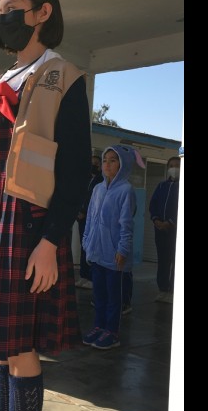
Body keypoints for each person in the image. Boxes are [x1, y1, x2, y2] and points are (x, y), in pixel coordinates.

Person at [0, 0, 90, 411]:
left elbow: (74, 171)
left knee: (21, 350)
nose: (4, 17)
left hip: (29, 226)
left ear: (42, 13)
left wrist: (51, 241)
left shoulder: (64, 76)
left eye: (13, 7)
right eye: (1, 10)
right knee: (1, 347)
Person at [81, 145, 143, 350]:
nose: (107, 164)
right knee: (98, 294)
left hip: (114, 255)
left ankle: (112, 332)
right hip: (96, 252)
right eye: (104, 160)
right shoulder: (98, 189)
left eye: (113, 160)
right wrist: (86, 241)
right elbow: (90, 218)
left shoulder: (126, 190)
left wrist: (122, 250)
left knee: (113, 296)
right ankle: (98, 326)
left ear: (123, 165)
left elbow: (126, 224)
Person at [149, 155, 181, 304]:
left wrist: (171, 222)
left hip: (176, 231)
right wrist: (156, 220)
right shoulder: (161, 186)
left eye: (177, 166)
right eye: (171, 166)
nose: (174, 169)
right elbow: (153, 204)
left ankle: (174, 291)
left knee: (176, 260)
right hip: (160, 230)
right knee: (163, 260)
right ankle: (163, 289)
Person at [75, 155, 103, 289]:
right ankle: (83, 275)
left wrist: (85, 212)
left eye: (97, 164)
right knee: (83, 247)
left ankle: (91, 278)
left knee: (91, 248)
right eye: (92, 163)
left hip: (91, 218)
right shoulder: (85, 180)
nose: (94, 166)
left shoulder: (100, 181)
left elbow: (93, 200)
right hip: (81, 218)